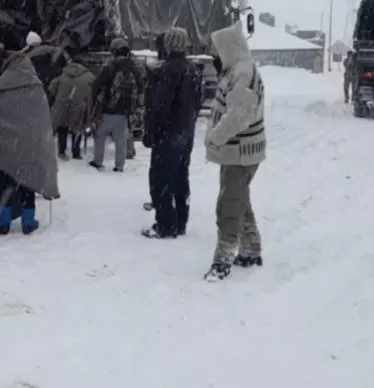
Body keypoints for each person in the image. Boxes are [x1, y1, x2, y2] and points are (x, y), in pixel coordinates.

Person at [0, 43, 59, 233]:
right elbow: (43, 121)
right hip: (31, 146)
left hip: (6, 145)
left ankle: (5, 222)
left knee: (6, 185)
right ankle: (27, 222)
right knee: (27, 186)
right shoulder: (37, 88)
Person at [203, 21, 267, 281]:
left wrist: (216, 138)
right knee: (240, 201)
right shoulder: (235, 69)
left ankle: (222, 261)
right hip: (237, 151)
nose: (212, 53)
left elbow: (239, 115)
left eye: (215, 49)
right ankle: (251, 249)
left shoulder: (242, 72)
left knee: (228, 206)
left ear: (227, 47)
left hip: (240, 152)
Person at [141, 28, 201, 239]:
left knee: (161, 178)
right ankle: (181, 221)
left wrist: (151, 131)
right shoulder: (192, 69)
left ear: (168, 45)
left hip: (168, 133)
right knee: (180, 176)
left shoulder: (167, 71)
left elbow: (159, 106)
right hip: (186, 132)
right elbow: (198, 103)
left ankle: (165, 224)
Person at [90, 37, 143, 172]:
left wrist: (97, 98)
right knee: (121, 138)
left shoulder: (111, 66)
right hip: (126, 110)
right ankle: (119, 166)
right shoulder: (134, 68)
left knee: (100, 134)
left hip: (110, 107)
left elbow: (98, 84)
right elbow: (141, 87)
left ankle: (97, 161)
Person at [48, 57, 95, 160]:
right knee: (77, 128)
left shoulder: (62, 76)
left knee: (62, 129)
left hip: (62, 106)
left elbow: (51, 89)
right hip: (79, 107)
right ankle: (76, 151)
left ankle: (61, 151)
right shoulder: (89, 77)